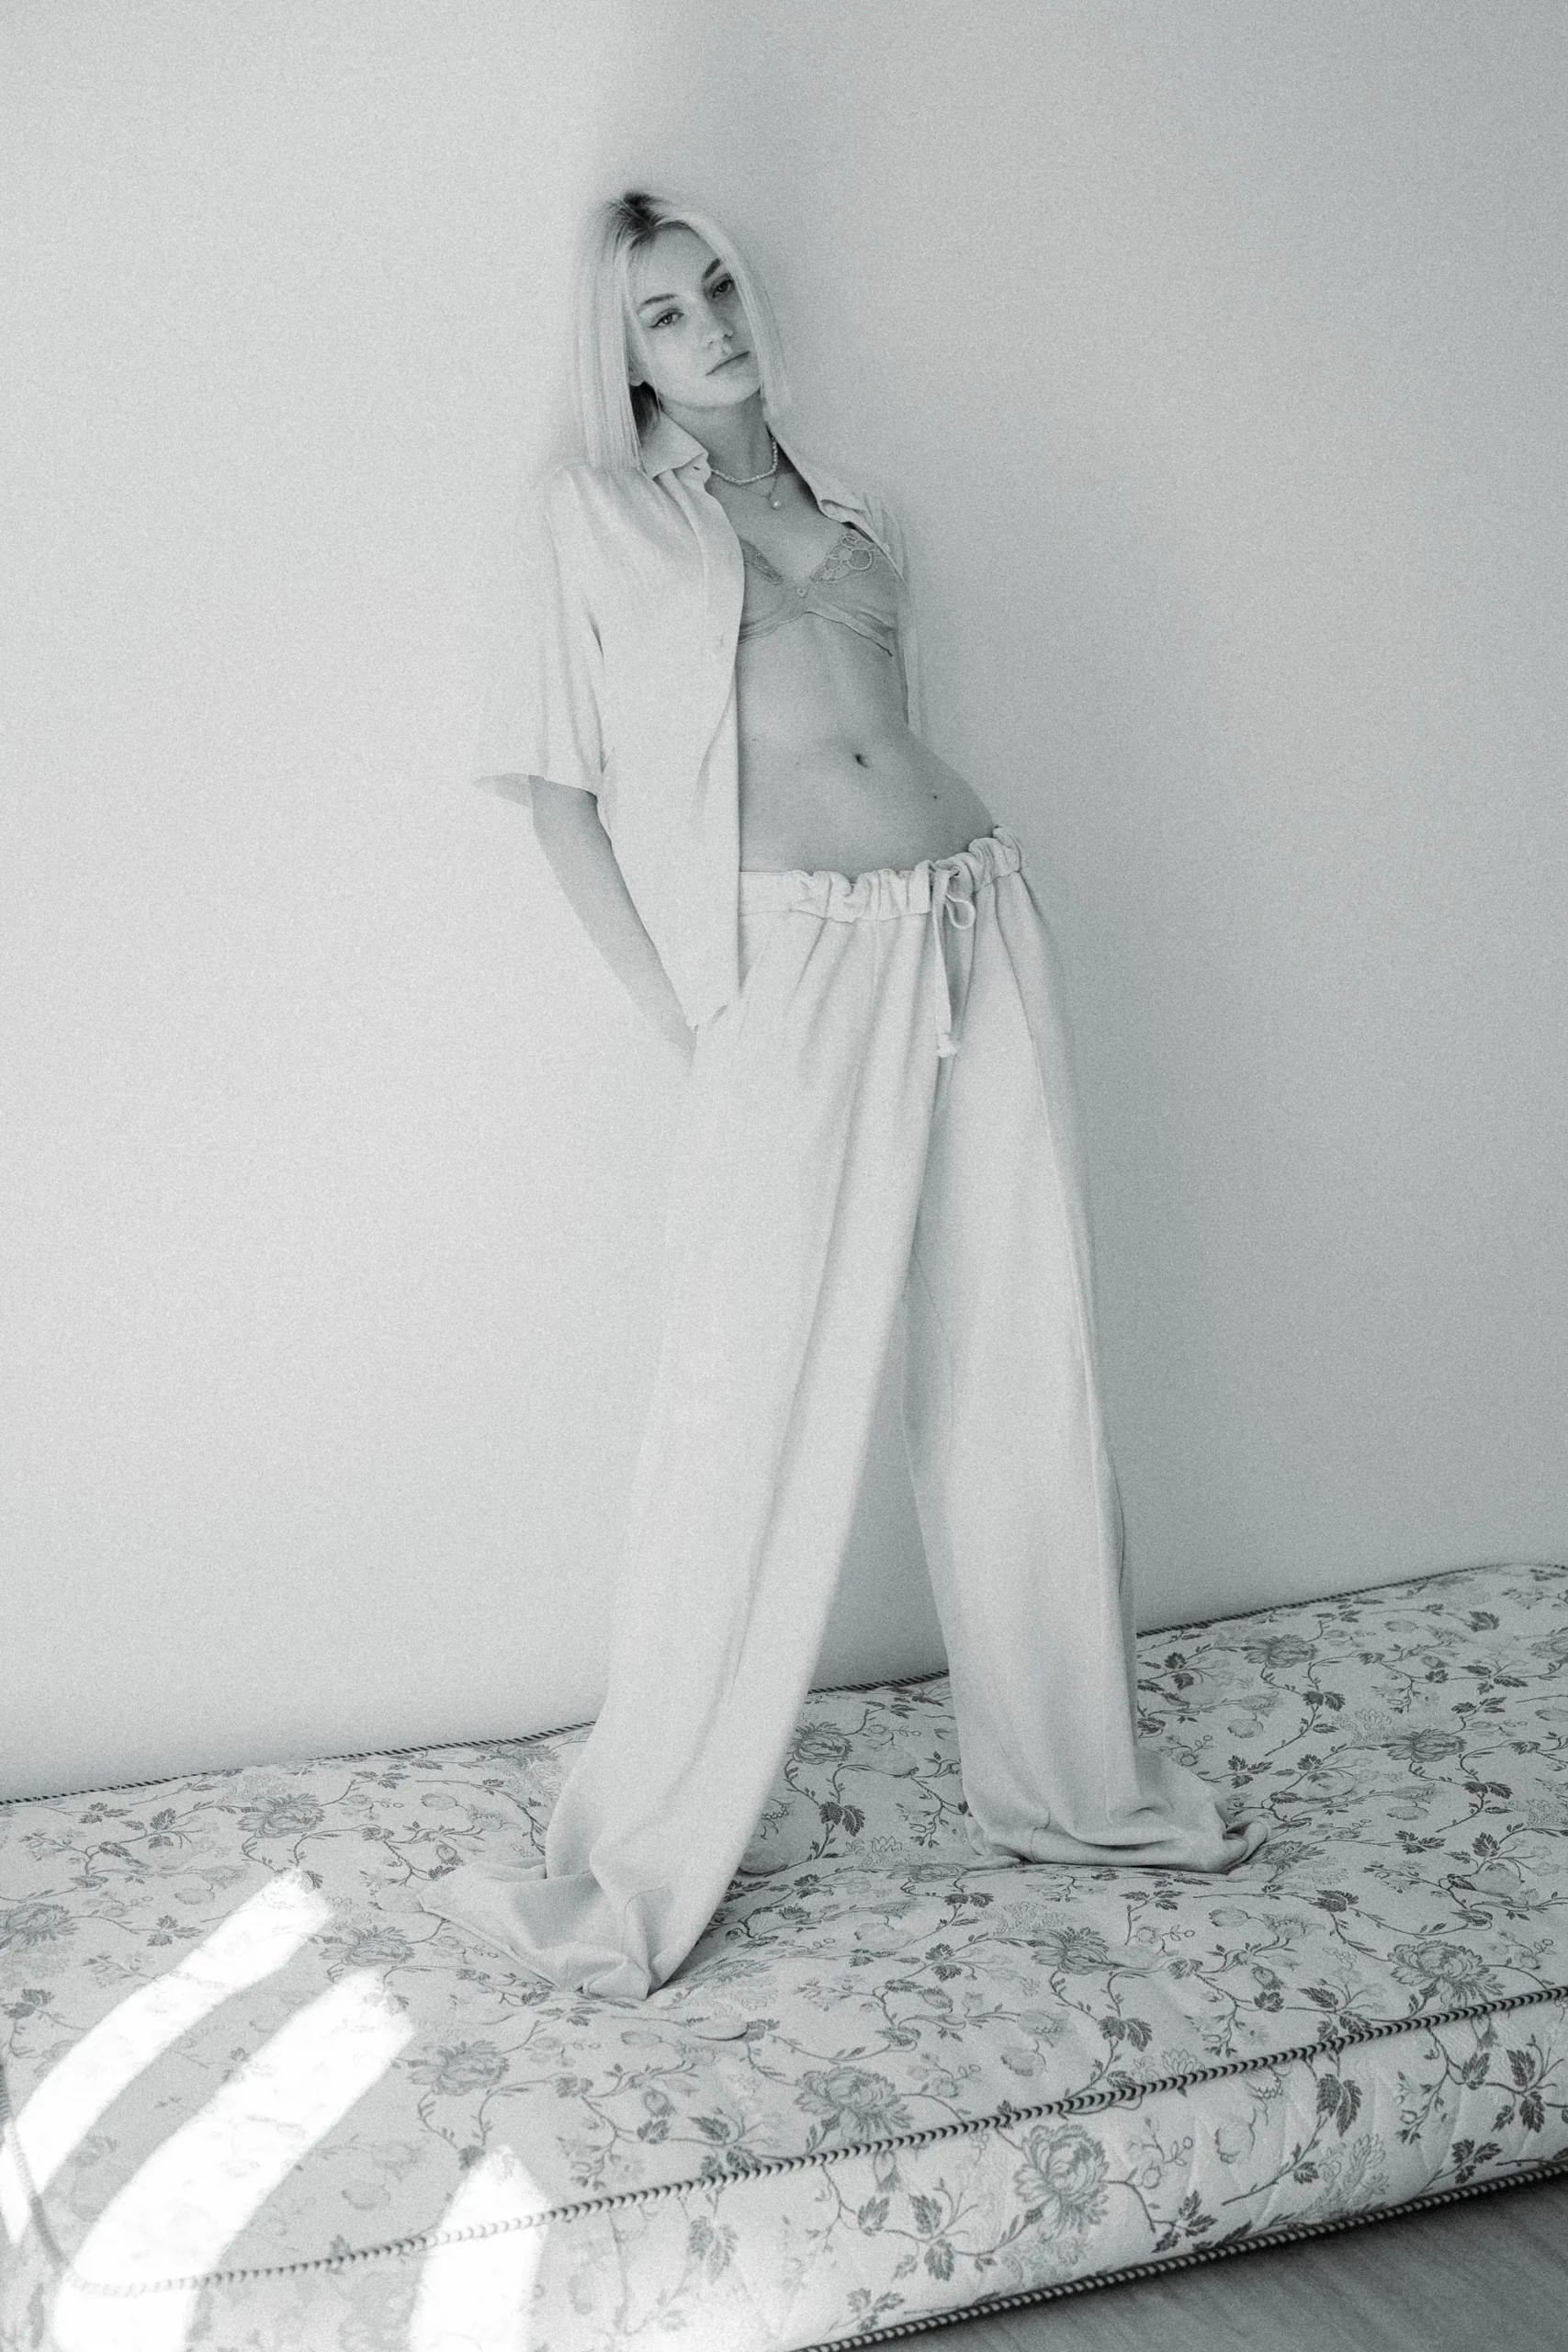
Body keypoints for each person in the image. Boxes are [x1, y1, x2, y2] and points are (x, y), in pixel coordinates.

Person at [421, 189, 1264, 2002]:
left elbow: (893, 722)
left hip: (974, 918)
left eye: (716, 285)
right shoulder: (590, 519)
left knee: (1022, 1359)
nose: (709, 325)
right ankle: (647, 1839)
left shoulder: (865, 507)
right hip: (786, 966)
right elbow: (558, 802)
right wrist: (692, 1009)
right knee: (740, 1392)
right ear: (619, 354)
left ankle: (1070, 1783)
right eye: (661, 313)